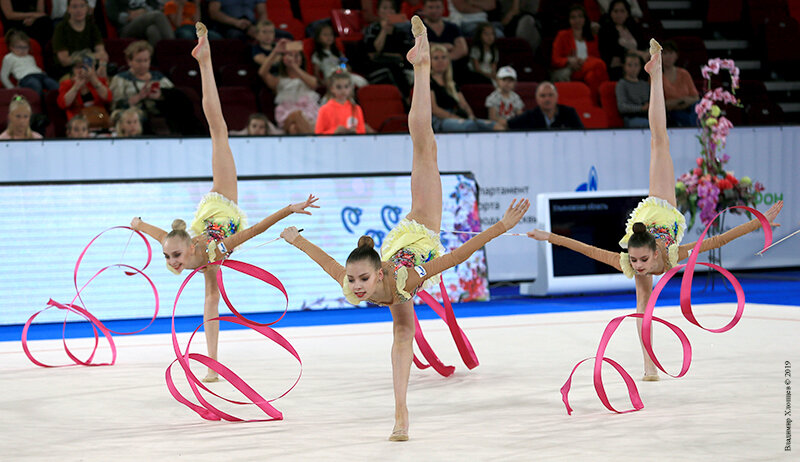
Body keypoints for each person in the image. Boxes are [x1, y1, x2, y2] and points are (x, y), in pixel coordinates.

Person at [280, 17, 530, 442]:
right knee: (401, 331)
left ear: (377, 274)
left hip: (422, 226)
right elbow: (328, 262)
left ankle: (422, 64)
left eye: (360, 280)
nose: (354, 287)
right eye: (354, 280)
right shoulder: (358, 279)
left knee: (424, 143)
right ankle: (420, 64)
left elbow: (457, 255)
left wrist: (501, 226)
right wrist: (296, 238)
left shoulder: (403, 279)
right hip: (406, 245)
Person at [527, 40, 785, 382]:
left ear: (654, 253)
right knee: (642, 308)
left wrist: (757, 224)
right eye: (634, 262)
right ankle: (648, 366)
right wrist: (549, 236)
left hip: (659, 210)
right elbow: (586, 249)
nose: (636, 267)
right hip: (646, 226)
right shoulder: (631, 262)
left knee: (659, 140)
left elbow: (717, 239)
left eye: (641, 262)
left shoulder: (670, 251)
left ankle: (655, 72)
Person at [131, 23, 319, 383]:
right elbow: (163, 237)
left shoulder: (213, 250)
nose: (172, 262)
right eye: (170, 257)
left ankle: (205, 59)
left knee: (219, 130)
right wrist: (141, 227)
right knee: (211, 300)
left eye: (175, 256)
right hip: (211, 222)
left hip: (223, 201)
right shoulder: (185, 249)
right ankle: (212, 361)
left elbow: (256, 229)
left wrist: (288, 210)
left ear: (188, 247)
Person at [430, 43, 503, 132]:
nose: (440, 61)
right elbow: (434, 109)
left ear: (448, 61)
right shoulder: (428, 82)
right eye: (436, 58)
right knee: (470, 126)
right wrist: (456, 118)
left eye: (443, 57)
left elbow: (464, 105)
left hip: (458, 118)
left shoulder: (451, 84)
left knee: (495, 126)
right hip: (440, 120)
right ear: (430, 61)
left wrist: (471, 116)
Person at [258, 39, 320, 134]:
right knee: (296, 115)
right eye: (290, 55)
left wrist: (294, 67)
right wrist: (275, 52)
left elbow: (313, 84)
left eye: (297, 55)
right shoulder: (279, 80)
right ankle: (313, 140)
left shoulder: (307, 78)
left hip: (308, 114)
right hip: (286, 114)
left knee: (294, 128)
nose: (293, 58)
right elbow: (262, 73)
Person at [551, 4, 609, 103]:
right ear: (569, 20)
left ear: (585, 19)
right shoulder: (562, 35)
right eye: (573, 17)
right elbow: (555, 59)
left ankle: (592, 103)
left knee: (591, 76)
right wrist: (570, 60)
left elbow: (595, 56)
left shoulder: (592, 37)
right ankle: (605, 99)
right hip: (573, 68)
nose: (577, 20)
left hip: (588, 68)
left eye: (580, 16)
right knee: (600, 64)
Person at [51, 0, 110, 79]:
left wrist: (102, 65)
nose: (79, 10)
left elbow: (103, 54)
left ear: (87, 8)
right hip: (69, 72)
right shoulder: (61, 28)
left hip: (91, 68)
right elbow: (64, 61)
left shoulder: (92, 26)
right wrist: (92, 56)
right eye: (74, 7)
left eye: (82, 6)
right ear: (68, 9)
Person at [56, 50, 113, 124]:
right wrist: (76, 87)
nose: (82, 70)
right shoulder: (67, 84)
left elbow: (108, 98)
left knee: (102, 117)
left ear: (93, 67)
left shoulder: (100, 81)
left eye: (86, 67)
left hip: (99, 116)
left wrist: (93, 80)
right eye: (78, 67)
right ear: (73, 69)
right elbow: (63, 104)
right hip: (77, 118)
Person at [598, 0, 648, 81]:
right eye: (616, 11)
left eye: (622, 11)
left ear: (627, 13)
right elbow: (613, 49)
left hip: (638, 65)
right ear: (610, 13)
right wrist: (635, 53)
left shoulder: (633, 28)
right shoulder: (605, 30)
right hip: (618, 66)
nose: (619, 15)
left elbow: (642, 44)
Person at [1, 30, 59, 99]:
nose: (23, 50)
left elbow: (34, 68)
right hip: (26, 78)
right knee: (35, 84)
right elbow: (3, 75)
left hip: (41, 75)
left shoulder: (30, 57)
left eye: (25, 47)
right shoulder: (9, 57)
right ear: (11, 47)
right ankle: (37, 104)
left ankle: (54, 103)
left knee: (54, 85)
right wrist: (12, 89)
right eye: (19, 47)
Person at [311, 23, 369, 89]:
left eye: (331, 34)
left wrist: (342, 67)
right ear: (318, 38)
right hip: (331, 78)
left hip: (343, 75)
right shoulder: (317, 55)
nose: (329, 37)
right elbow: (316, 73)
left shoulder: (338, 53)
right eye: (325, 35)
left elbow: (346, 65)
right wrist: (322, 83)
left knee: (361, 81)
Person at [507, 81, 584, 130]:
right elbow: (509, 125)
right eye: (543, 96)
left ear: (557, 96)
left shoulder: (569, 113)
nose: (547, 99)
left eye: (550, 95)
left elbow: (582, 133)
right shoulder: (529, 116)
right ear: (536, 98)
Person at [661, 40, 700, 128]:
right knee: (688, 119)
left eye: (671, 53)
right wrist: (682, 100)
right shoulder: (656, 76)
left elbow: (696, 98)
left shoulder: (684, 73)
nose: (668, 57)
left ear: (676, 56)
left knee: (698, 106)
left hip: (689, 109)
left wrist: (683, 102)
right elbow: (662, 103)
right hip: (670, 113)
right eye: (665, 53)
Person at [106, 0, 175, 47]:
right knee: (158, 15)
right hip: (126, 27)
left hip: (146, 21)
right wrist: (128, 17)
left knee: (153, 31)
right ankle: (173, 49)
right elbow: (112, 15)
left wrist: (145, 12)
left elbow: (156, 7)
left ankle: (151, 62)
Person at [615, 51, 649, 128]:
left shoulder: (645, 85)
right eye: (629, 65)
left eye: (636, 65)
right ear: (624, 66)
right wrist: (641, 108)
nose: (633, 68)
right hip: (631, 118)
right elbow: (622, 107)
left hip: (647, 116)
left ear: (640, 67)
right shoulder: (622, 84)